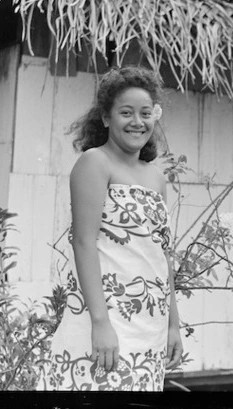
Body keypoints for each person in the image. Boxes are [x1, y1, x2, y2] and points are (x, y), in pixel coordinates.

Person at [41, 66, 183, 391]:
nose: (137, 121)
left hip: (150, 324)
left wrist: (173, 324)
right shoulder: (95, 162)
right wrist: (100, 323)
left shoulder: (157, 177)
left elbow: (163, 256)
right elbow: (83, 243)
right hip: (107, 320)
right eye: (126, 112)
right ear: (106, 117)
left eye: (146, 113)